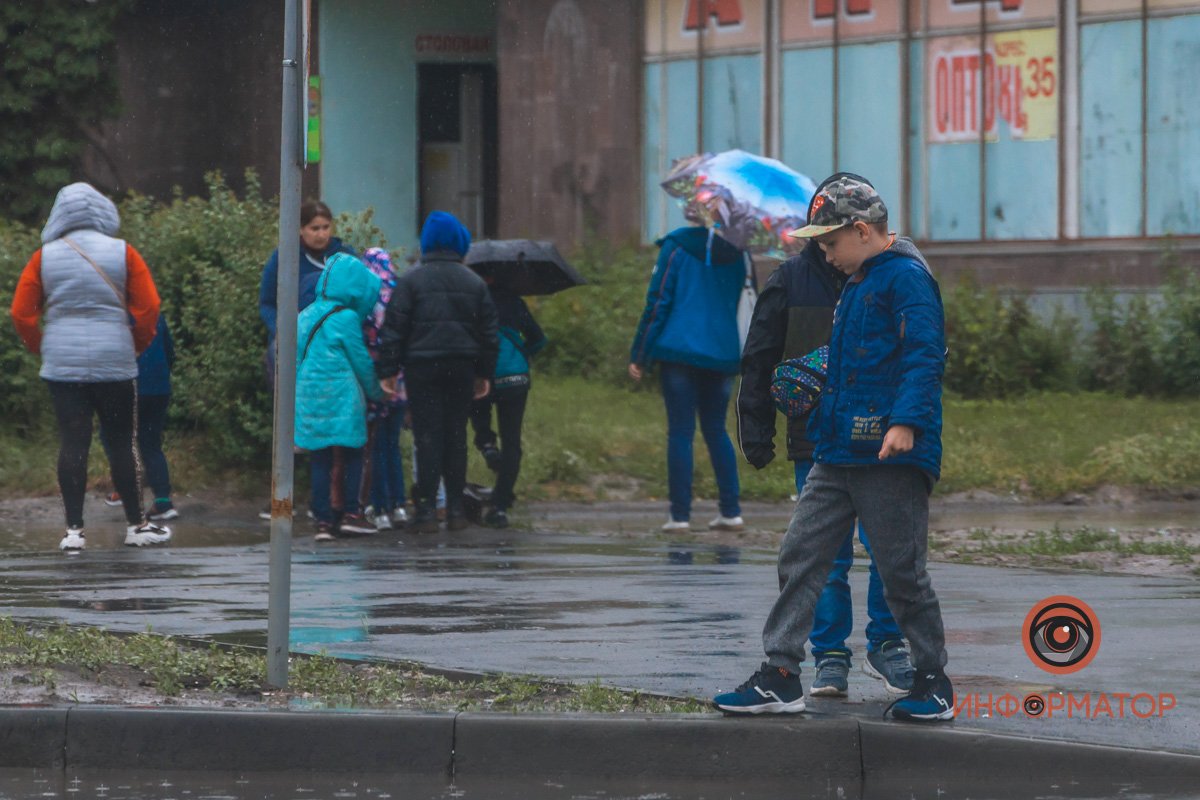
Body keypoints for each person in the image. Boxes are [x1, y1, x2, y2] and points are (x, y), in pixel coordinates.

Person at [713, 175, 953, 722]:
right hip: (835, 452)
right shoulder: (859, 280)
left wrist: (906, 422)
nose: (824, 254)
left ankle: (932, 681)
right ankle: (780, 674)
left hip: (889, 455)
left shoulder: (907, 279)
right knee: (800, 555)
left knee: (901, 573)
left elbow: (924, 354)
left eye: (829, 243)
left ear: (862, 231)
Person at [10, 182, 172, 551]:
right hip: (114, 360)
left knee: (73, 441)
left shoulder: (43, 257)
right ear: (103, 211)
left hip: (62, 365)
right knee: (121, 441)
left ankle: (73, 531)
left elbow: (22, 313)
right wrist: (135, 344)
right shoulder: (123, 252)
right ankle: (136, 525)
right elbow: (149, 307)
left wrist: (42, 345)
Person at [376, 211, 498, 534]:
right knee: (456, 436)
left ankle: (427, 510)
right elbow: (489, 333)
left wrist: (388, 369)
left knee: (427, 437)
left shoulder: (411, 280)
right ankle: (456, 510)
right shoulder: (474, 282)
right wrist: (484, 373)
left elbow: (394, 328)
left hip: (422, 367)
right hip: (462, 367)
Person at [628, 222, 744, 532]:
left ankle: (680, 516)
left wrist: (640, 352)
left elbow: (658, 301)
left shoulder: (676, 246)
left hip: (679, 351)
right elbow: (739, 300)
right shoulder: (738, 252)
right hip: (722, 351)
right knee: (716, 430)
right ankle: (731, 511)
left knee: (681, 432)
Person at [257, 199, 355, 521]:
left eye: (325, 227)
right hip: (295, 341)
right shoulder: (285, 257)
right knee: (277, 356)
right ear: (300, 230)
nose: (321, 234)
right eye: (314, 228)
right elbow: (267, 302)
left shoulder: (344, 256)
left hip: (334, 341)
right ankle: (289, 420)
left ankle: (336, 503)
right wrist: (283, 329)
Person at [295, 252, 386, 541]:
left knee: (320, 457)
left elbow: (294, 360)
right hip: (343, 396)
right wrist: (377, 393)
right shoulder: (346, 318)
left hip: (309, 396)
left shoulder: (303, 315)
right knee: (353, 453)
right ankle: (351, 514)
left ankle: (323, 521)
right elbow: (361, 362)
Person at [469, 278, 547, 529]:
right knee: (512, 441)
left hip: (483, 374)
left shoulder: (473, 299)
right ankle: (500, 507)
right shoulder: (515, 302)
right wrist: (522, 353)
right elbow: (538, 339)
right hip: (515, 377)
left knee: (478, 413)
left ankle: (487, 445)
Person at [101, 313, 180, 522]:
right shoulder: (154, 312)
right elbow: (170, 351)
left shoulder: (114, 313)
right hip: (158, 387)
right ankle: (163, 501)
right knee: (151, 444)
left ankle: (125, 490)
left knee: (113, 438)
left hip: (128, 384)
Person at [359, 247, 408, 530]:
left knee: (375, 445)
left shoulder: (365, 295)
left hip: (375, 379)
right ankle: (399, 505)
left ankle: (379, 509)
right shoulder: (401, 292)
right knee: (392, 443)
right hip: (400, 381)